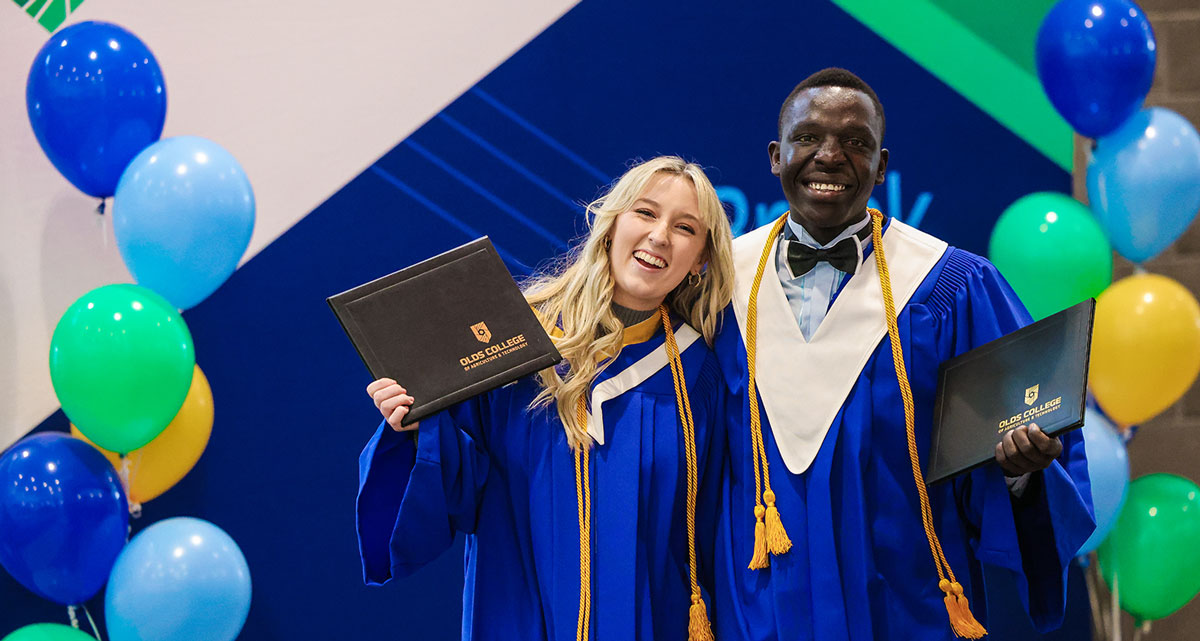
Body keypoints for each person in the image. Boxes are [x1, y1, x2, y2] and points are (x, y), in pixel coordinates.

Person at [710, 68, 1095, 640]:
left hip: (904, 606)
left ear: (881, 166)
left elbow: (1030, 437)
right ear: (776, 155)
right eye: (808, 138)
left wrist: (1022, 476)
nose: (830, 156)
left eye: (856, 142)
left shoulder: (950, 289)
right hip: (758, 607)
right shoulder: (717, 287)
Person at [356, 156, 734, 641]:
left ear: (700, 259)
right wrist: (412, 429)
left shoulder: (699, 376)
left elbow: (714, 535)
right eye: (645, 213)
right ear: (611, 224)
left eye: (685, 227)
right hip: (517, 620)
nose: (660, 236)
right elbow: (453, 487)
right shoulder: (512, 346)